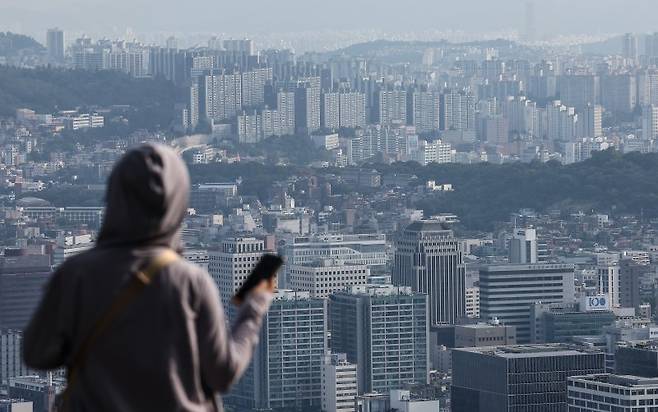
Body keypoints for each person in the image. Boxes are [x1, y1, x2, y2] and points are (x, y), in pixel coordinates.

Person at [23, 143, 274, 411]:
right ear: (176, 202)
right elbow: (222, 373)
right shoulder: (190, 282)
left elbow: (38, 353)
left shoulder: (76, 274)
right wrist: (252, 310)